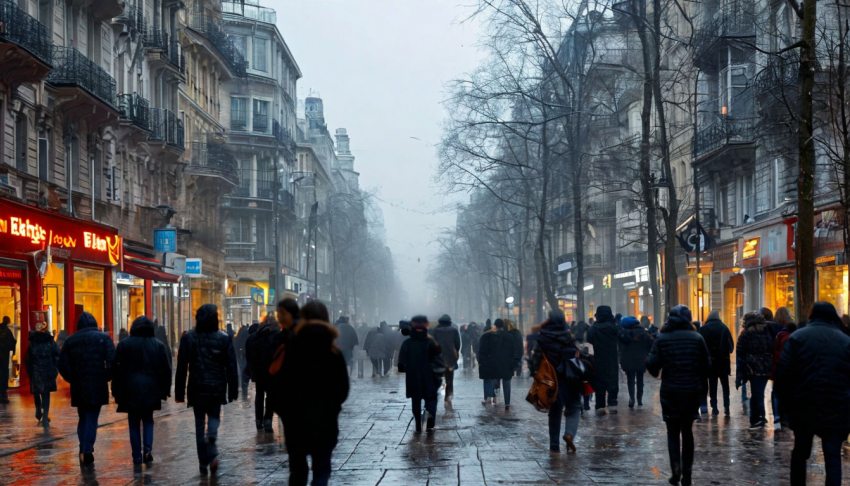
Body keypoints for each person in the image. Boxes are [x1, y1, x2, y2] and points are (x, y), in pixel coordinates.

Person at [775, 302, 850, 486]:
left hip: (803, 405)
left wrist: (786, 407)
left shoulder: (797, 338)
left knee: (800, 452)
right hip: (836, 406)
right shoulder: (845, 341)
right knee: (832, 456)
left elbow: (783, 375)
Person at [278, 301, 349, 486]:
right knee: (321, 470)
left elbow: (282, 383)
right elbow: (343, 388)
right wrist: (332, 407)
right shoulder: (334, 351)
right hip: (325, 420)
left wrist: (285, 411)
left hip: (296, 420)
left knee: (298, 471)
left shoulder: (292, 346)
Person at [646, 305, 711, 486]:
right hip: (691, 390)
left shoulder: (662, 338)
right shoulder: (697, 338)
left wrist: (649, 360)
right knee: (687, 431)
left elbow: (653, 366)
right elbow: (707, 367)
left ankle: (675, 470)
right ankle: (687, 474)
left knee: (673, 432)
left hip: (670, 390)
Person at [175, 304, 238, 476]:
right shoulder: (224, 338)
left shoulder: (188, 338)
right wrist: (233, 389)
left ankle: (203, 462)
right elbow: (231, 365)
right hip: (216, 386)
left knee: (198, 424)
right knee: (213, 421)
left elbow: (182, 367)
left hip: (197, 386)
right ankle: (212, 443)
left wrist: (179, 392)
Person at [112, 316, 172, 465]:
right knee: (148, 420)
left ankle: (136, 456)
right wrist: (164, 391)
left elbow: (116, 371)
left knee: (133, 422)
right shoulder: (158, 345)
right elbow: (166, 370)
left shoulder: (124, 345)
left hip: (130, 389)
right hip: (151, 389)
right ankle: (147, 449)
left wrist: (116, 392)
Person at [57, 312, 116, 464]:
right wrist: (107, 376)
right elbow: (112, 360)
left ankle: (83, 446)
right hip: (97, 383)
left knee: (83, 417)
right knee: (92, 417)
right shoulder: (103, 338)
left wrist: (72, 378)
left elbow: (62, 363)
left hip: (79, 385)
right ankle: (87, 449)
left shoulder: (71, 340)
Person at [531, 310, 583, 453]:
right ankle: (569, 434)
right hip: (569, 379)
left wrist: (536, 374)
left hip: (549, 380)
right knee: (573, 407)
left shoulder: (543, 337)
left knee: (554, 411)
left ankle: (554, 444)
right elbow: (574, 356)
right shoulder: (567, 336)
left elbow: (536, 358)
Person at [398, 315, 441, 432]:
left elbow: (401, 364)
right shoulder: (431, 342)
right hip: (429, 376)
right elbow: (438, 355)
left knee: (415, 399)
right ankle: (430, 414)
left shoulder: (407, 343)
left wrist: (405, 368)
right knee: (431, 398)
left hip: (413, 376)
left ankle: (418, 422)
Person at [736, 311, 774, 429]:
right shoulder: (766, 330)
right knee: (759, 392)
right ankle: (759, 416)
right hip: (765, 366)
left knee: (755, 393)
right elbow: (771, 346)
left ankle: (758, 418)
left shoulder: (746, 333)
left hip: (752, 367)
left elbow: (740, 350)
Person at [246, 313, 281, 433]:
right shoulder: (278, 337)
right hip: (273, 372)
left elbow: (248, 354)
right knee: (271, 396)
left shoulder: (253, 337)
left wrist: (252, 368)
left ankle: (258, 420)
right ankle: (267, 421)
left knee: (259, 394)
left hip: (259, 371)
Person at [698, 310, 734, 416]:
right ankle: (726, 406)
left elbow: (700, 347)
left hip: (711, 362)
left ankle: (714, 407)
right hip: (723, 361)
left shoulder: (703, 329)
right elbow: (731, 347)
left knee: (712, 385)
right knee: (725, 385)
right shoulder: (724, 328)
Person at [586, 306, 620, 415]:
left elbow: (589, 339)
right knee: (613, 380)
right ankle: (612, 403)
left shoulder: (594, 328)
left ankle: (600, 406)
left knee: (600, 382)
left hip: (599, 359)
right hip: (612, 359)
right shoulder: (615, 327)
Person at [25, 320, 60, 425]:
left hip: (36, 369)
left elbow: (28, 359)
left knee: (36, 391)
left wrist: (29, 371)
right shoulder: (50, 342)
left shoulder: (32, 343)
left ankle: (38, 407)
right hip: (48, 369)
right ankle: (45, 416)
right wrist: (55, 368)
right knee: (46, 393)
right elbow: (57, 355)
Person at [479, 319, 519, 409]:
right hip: (506, 364)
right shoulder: (509, 336)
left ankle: (491, 398)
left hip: (493, 364)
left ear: (495, 325)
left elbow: (484, 351)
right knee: (507, 383)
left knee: (492, 380)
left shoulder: (488, 336)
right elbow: (513, 351)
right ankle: (507, 403)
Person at [618, 316, 652, 408]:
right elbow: (650, 346)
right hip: (641, 359)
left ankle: (631, 399)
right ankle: (639, 399)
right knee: (640, 379)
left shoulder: (625, 333)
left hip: (629, 359)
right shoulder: (644, 333)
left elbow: (620, 346)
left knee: (630, 379)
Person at [771, 309, 796, 429]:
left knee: (776, 392)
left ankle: (778, 415)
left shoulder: (777, 333)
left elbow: (775, 352)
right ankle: (785, 417)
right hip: (789, 369)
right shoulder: (792, 336)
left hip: (779, 368)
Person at [433, 314, 460, 401]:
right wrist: (455, 351)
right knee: (449, 378)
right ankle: (448, 397)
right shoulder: (454, 330)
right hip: (450, 357)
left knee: (437, 377)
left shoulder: (436, 330)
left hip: (438, 357)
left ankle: (435, 394)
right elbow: (457, 343)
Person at [0, 316, 17, 404]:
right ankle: (3, 394)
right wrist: (13, 352)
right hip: (4, 357)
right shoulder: (8, 331)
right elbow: (12, 343)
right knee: (4, 373)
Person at [234, 323, 250, 392]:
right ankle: (245, 380)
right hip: (246, 351)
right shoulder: (247, 333)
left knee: (241, 365)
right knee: (245, 365)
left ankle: (242, 379)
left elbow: (237, 343)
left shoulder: (239, 333)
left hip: (241, 352)